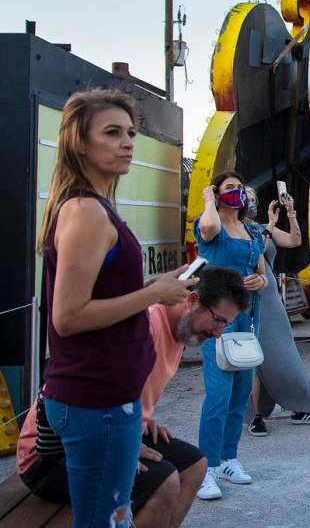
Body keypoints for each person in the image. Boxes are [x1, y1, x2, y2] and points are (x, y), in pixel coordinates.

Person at [36, 89, 195, 528]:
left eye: (130, 132)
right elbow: (67, 317)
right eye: (112, 132)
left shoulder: (95, 207)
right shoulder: (86, 210)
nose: (128, 142)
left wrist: (156, 286)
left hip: (107, 399)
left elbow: (98, 298)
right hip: (95, 400)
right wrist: (153, 295)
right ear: (80, 144)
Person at [17, 267, 248, 528]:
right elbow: (87, 391)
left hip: (111, 428)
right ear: (192, 300)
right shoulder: (145, 325)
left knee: (195, 466)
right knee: (164, 483)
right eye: (218, 320)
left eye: (224, 325)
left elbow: (128, 385)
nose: (218, 333)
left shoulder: (182, 330)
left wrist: (143, 416)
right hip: (53, 453)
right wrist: (125, 444)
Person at [193, 171, 269, 500]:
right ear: (218, 193)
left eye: (240, 187)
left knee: (240, 393)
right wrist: (209, 199)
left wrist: (259, 282)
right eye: (229, 188)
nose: (237, 192)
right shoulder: (210, 225)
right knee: (218, 394)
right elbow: (208, 229)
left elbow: (262, 273)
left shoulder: (253, 230)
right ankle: (205, 470)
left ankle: (228, 459)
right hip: (215, 321)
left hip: (246, 320)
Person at [242, 187, 310, 437]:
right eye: (245, 199)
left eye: (251, 199)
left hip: (269, 297)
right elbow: (256, 249)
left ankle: (301, 405)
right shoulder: (234, 232)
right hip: (247, 296)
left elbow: (294, 240)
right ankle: (255, 415)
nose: (249, 203)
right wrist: (269, 223)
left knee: (282, 351)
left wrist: (290, 215)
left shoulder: (259, 227)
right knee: (252, 359)